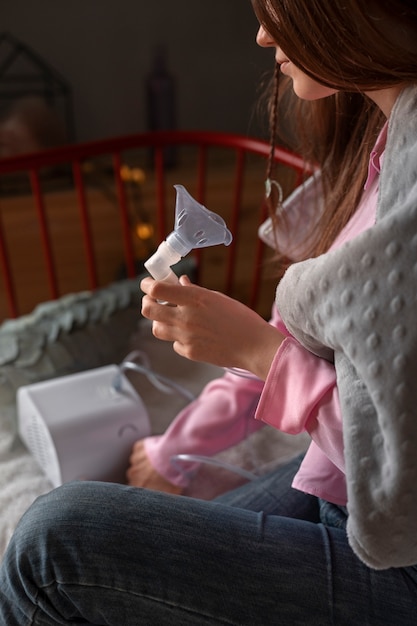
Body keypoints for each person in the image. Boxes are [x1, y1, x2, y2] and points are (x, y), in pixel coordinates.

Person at [1, 0, 417, 623]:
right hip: (339, 493)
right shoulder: (383, 149)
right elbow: (312, 346)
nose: (260, 34)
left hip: (396, 560)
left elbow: (394, 454)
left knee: (48, 540)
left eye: (279, 11)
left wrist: (253, 350)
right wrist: (177, 446)